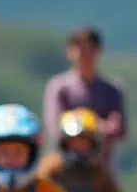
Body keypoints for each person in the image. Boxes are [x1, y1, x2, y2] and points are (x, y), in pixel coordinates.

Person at [42, 27, 128, 168]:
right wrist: (98, 124)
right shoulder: (58, 87)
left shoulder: (113, 89)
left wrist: (78, 123)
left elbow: (119, 129)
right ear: (69, 52)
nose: (83, 56)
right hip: (63, 167)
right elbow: (55, 125)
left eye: (89, 50)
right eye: (79, 50)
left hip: (101, 168)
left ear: (98, 51)